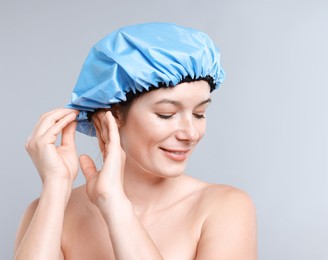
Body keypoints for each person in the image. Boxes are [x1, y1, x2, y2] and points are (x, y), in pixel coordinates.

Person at [14, 22, 257, 259]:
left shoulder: (223, 209)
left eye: (199, 114)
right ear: (113, 115)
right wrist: (56, 186)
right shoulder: (50, 212)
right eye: (166, 114)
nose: (190, 133)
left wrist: (115, 205)